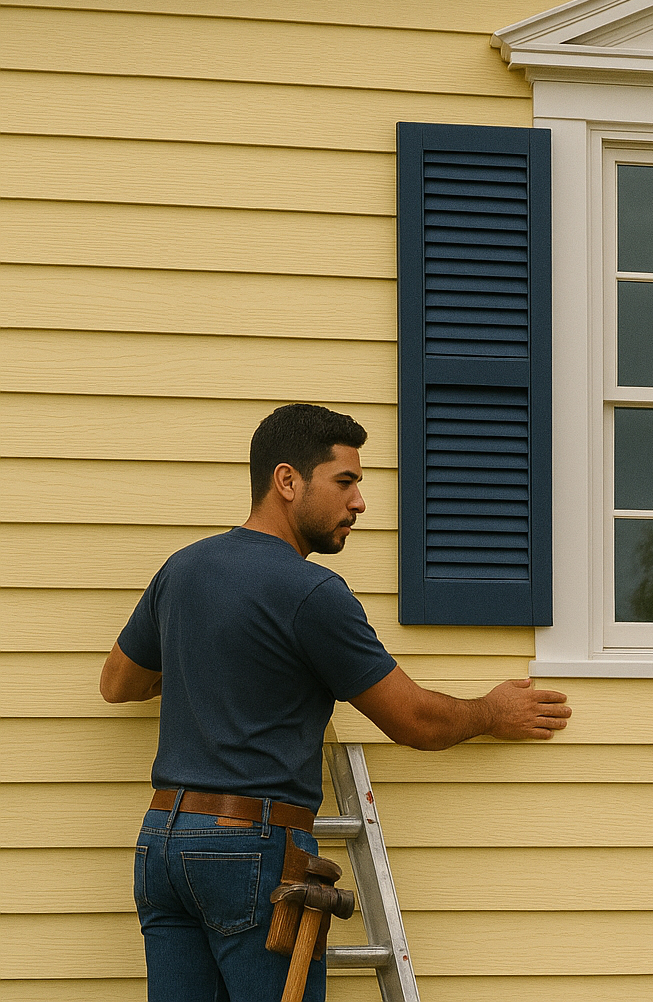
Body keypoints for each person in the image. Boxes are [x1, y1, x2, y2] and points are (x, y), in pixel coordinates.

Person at [99, 403, 572, 1001]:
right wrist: (490, 712)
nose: (360, 502)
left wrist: (204, 660)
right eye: (344, 482)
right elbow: (413, 720)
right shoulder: (313, 592)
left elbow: (118, 683)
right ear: (288, 481)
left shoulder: (184, 569)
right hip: (251, 849)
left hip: (164, 845)